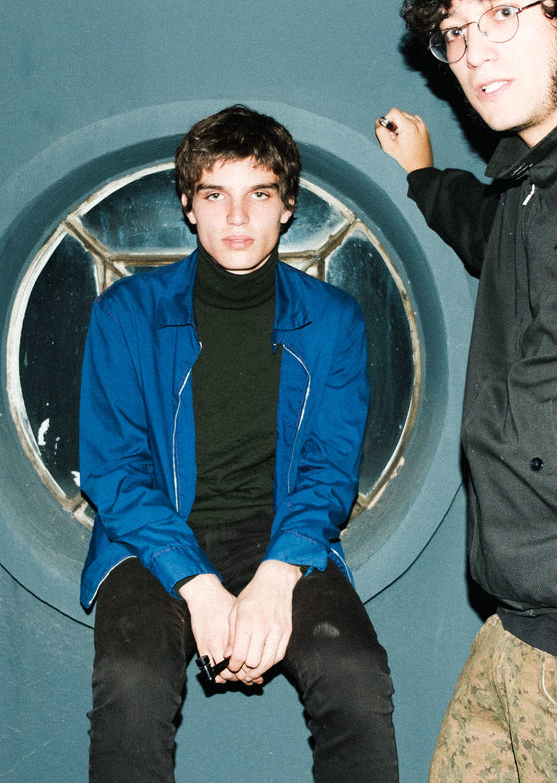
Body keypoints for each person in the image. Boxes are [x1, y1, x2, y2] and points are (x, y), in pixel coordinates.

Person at [80, 104, 399, 782]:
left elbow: (329, 471)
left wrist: (277, 578)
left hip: (279, 531)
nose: (236, 217)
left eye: (258, 194)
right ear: (188, 206)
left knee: (354, 672)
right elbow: (114, 472)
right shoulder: (127, 313)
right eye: (214, 195)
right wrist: (199, 588)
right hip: (154, 533)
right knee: (131, 679)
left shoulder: (333, 320)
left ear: (287, 207)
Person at [376, 0, 557, 783]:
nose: (475, 52)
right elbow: (488, 232)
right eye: (456, 31)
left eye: (503, 12)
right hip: (516, 626)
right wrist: (424, 176)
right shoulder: (529, 179)